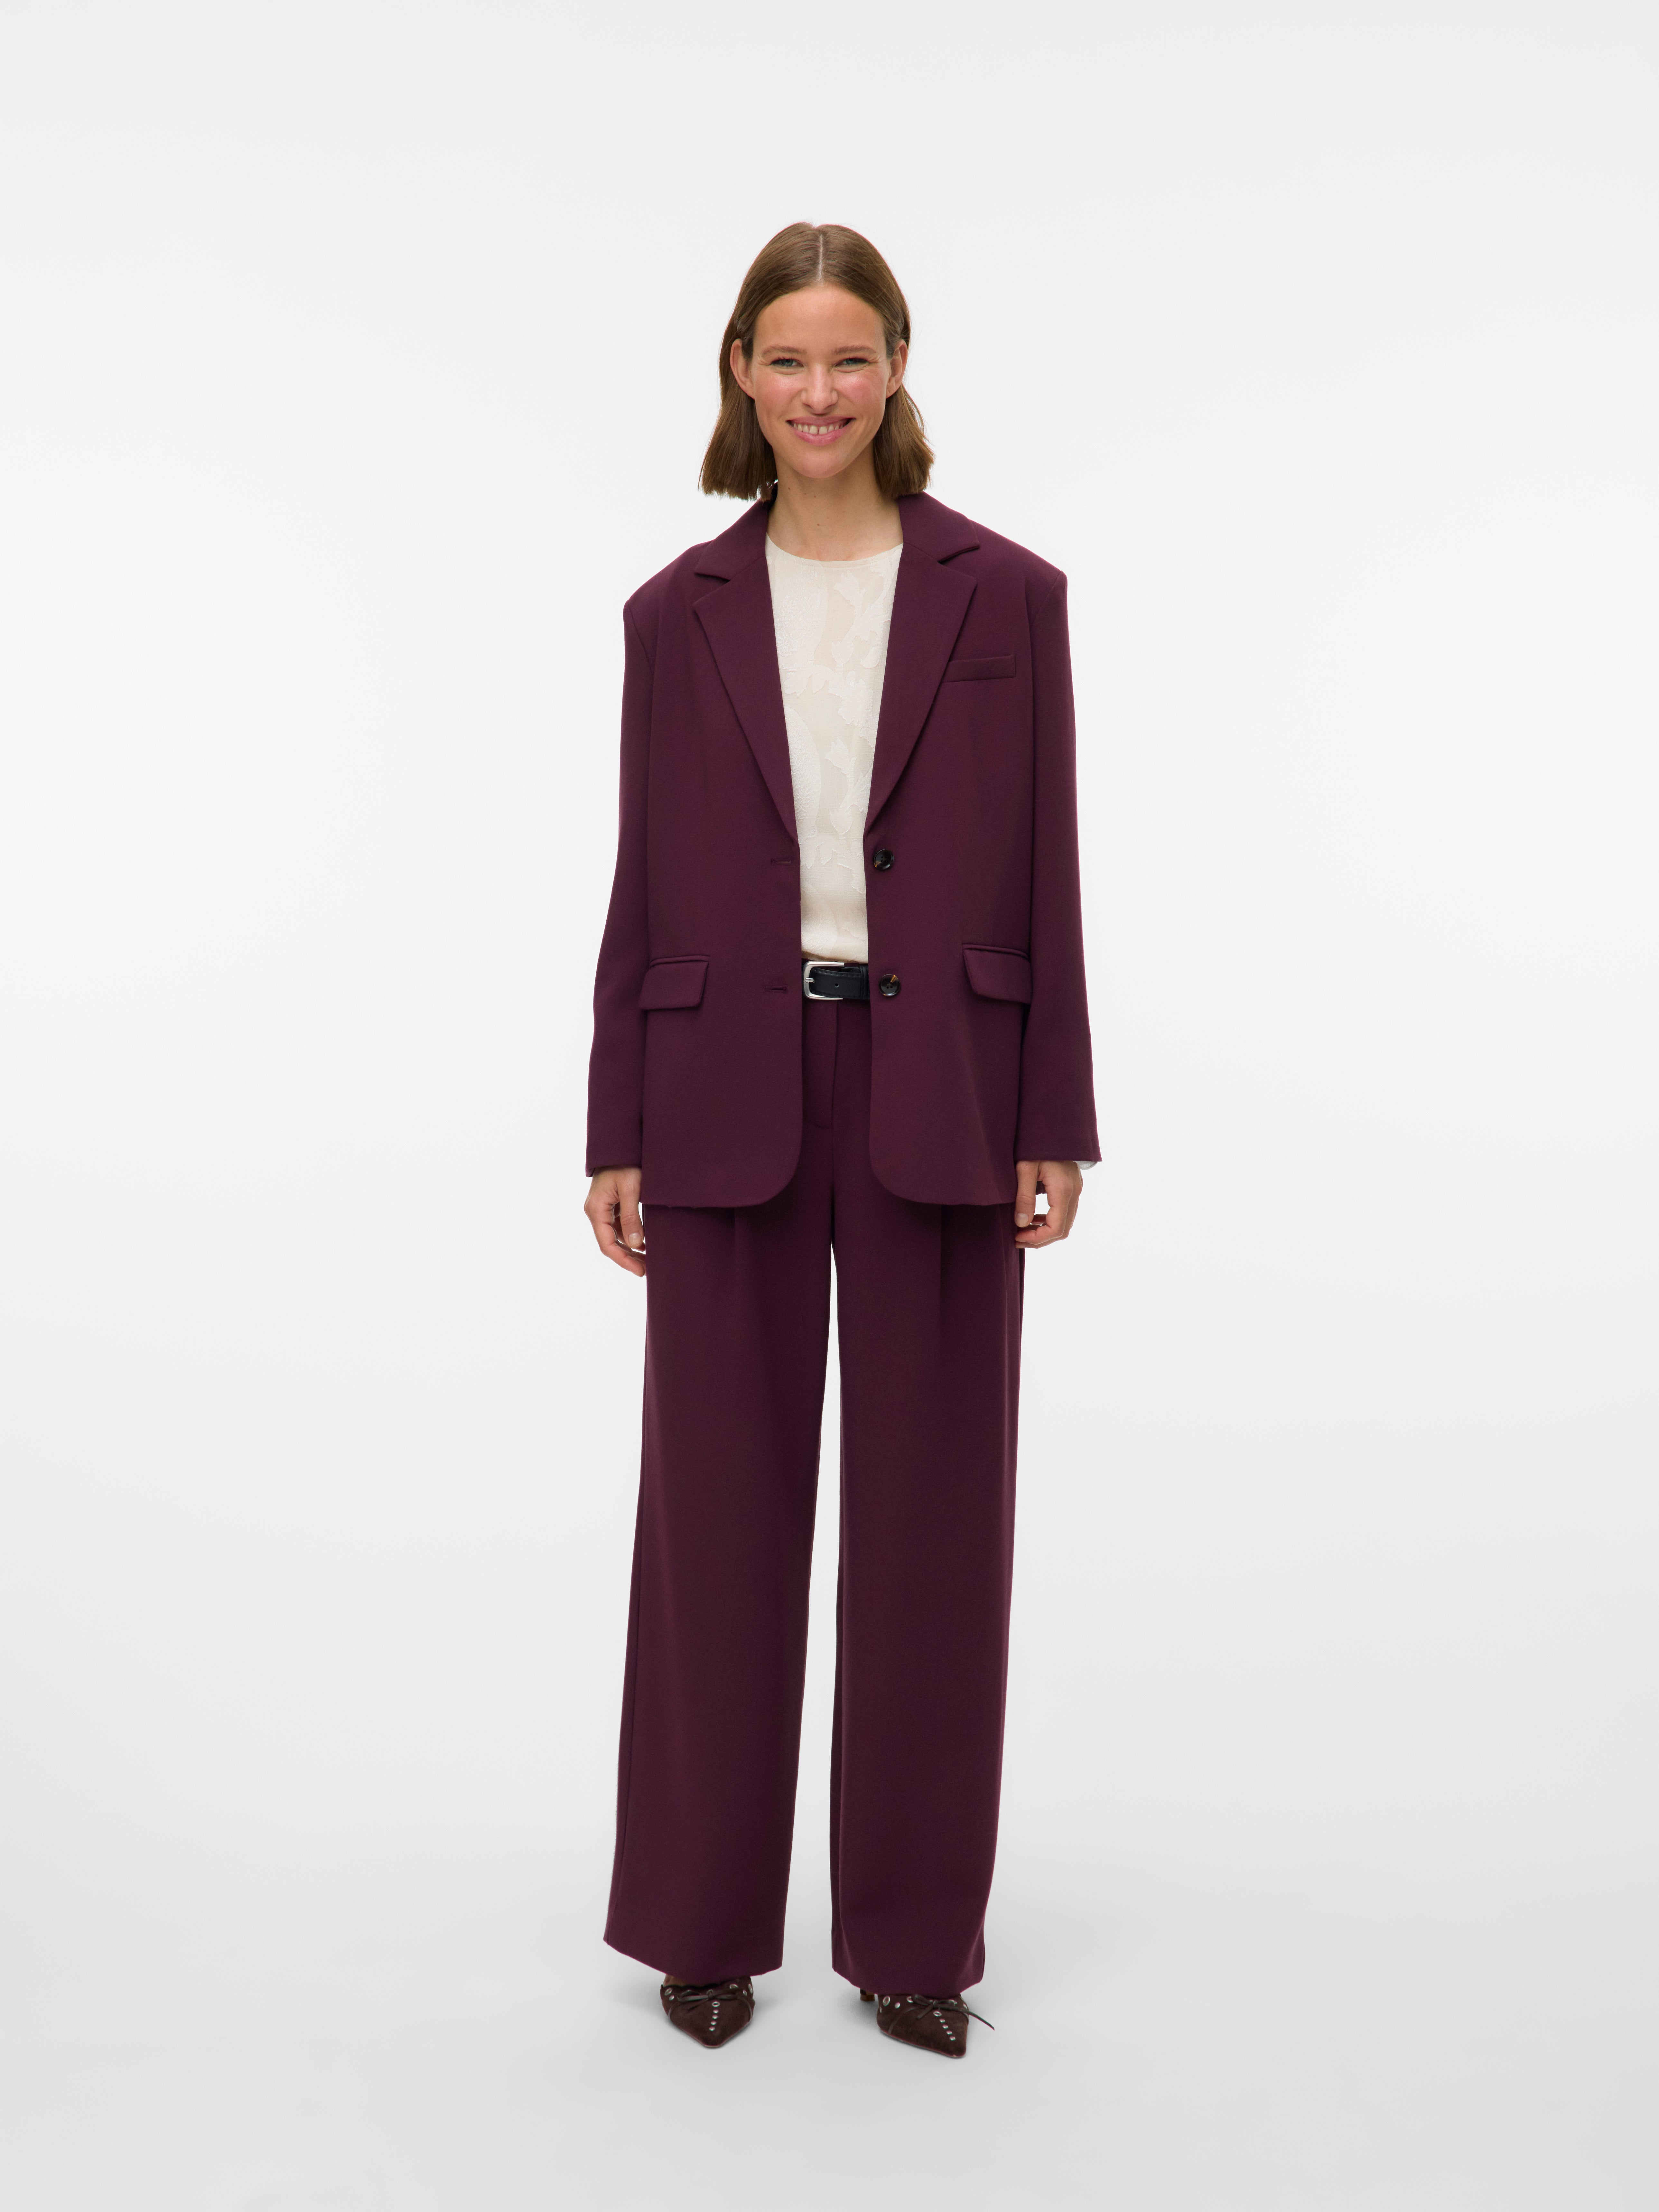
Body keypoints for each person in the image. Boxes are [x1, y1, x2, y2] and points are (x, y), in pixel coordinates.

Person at [583, 222, 1097, 2059]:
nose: (820, 392)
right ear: (740, 369)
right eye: (787, 359)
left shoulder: (1007, 596)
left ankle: (913, 1941)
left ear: (897, 367)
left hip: (943, 1082)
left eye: (851, 357)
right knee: (712, 1520)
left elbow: (1047, 863)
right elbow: (642, 877)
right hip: (720, 1085)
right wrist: (614, 1122)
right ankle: (699, 1922)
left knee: (936, 1523)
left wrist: (1056, 1111)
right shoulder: (673, 612)